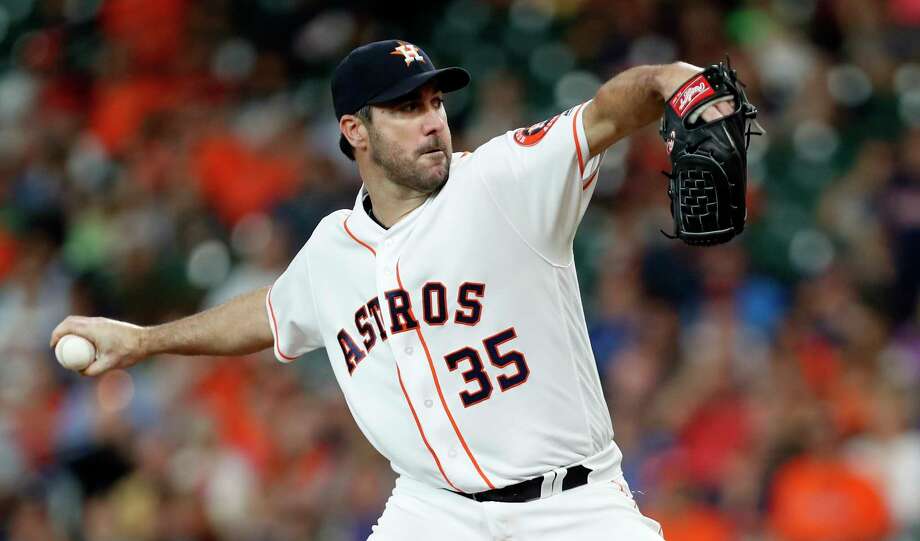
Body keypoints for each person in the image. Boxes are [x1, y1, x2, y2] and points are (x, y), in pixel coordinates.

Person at [52, 39, 733, 540]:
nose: (433, 119)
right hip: (435, 511)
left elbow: (607, 115)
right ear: (355, 132)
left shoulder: (502, 181)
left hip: (571, 508)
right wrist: (145, 341)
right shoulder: (330, 250)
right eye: (407, 107)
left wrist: (672, 79)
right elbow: (266, 315)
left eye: (435, 101)